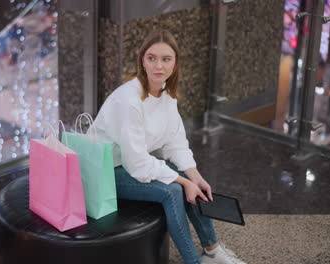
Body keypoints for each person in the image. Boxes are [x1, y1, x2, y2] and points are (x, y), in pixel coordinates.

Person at [91, 30, 246, 264]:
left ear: (175, 63)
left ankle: (212, 251)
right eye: (151, 58)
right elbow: (137, 163)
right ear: (142, 60)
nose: (158, 66)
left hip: (131, 163)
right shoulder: (129, 100)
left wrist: (195, 176)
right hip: (106, 171)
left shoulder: (166, 95)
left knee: (187, 180)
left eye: (166, 59)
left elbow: (175, 143)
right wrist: (183, 181)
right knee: (172, 190)